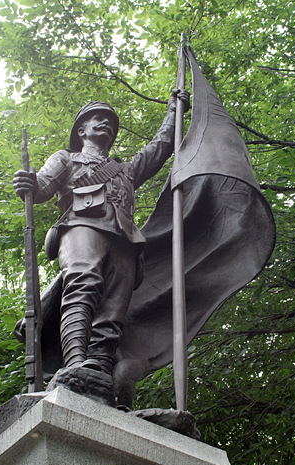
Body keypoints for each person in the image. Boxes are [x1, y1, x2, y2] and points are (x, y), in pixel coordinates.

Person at [13, 90, 189, 376]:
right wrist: (28, 183)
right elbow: (42, 186)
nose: (105, 123)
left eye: (109, 121)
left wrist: (174, 111)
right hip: (82, 227)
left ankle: (97, 368)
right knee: (83, 284)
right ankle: (74, 364)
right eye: (98, 119)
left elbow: (160, 147)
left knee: (114, 308)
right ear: (82, 130)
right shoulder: (66, 159)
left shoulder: (126, 169)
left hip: (124, 239)